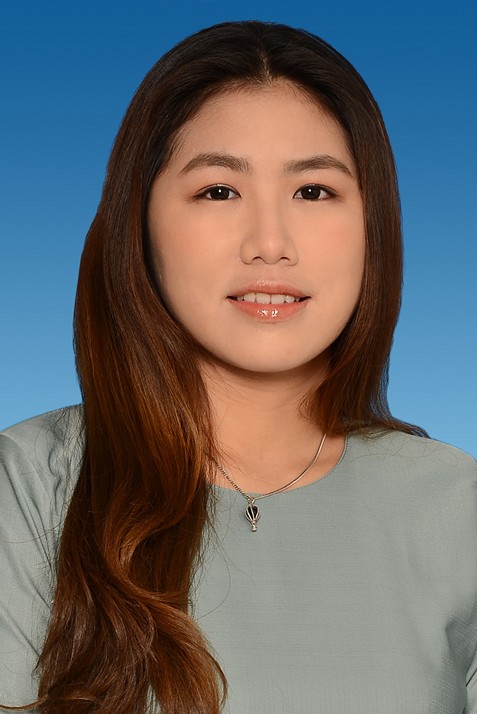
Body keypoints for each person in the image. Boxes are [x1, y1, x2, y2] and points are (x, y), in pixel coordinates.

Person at [0, 19, 476, 714]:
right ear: (140, 224)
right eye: (219, 191)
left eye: (313, 191)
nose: (270, 243)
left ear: (374, 227)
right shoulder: (30, 487)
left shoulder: (457, 506)